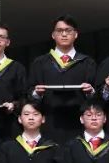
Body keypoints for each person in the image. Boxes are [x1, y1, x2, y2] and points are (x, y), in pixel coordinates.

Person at [28, 15, 97, 143]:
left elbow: (97, 95)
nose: (64, 34)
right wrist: (37, 93)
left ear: (76, 34)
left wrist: (90, 91)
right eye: (59, 31)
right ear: (53, 35)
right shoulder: (40, 63)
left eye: (68, 30)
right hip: (49, 123)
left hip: (79, 124)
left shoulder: (87, 62)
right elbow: (29, 93)